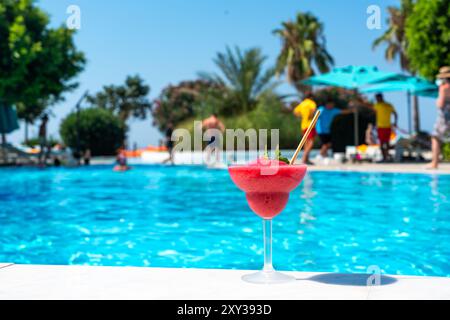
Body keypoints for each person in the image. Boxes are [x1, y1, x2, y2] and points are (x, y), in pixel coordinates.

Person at [427, 66, 450, 169]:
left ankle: (434, 163)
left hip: (445, 116)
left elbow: (440, 104)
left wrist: (437, 101)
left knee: (435, 137)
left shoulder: (444, 87)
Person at [372, 93, 398, 162]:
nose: (377, 100)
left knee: (386, 143)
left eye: (377, 98)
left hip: (387, 126)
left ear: (381, 97)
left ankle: (386, 157)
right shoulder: (377, 105)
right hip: (380, 127)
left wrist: (395, 122)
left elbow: (395, 113)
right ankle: (384, 157)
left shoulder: (388, 105)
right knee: (382, 143)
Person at [293, 92, 317, 164]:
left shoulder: (302, 104)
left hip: (303, 125)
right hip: (310, 124)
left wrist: (302, 116)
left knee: (306, 142)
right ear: (311, 97)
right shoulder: (312, 103)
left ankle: (306, 159)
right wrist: (310, 116)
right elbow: (313, 110)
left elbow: (295, 112)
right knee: (311, 142)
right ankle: (304, 158)